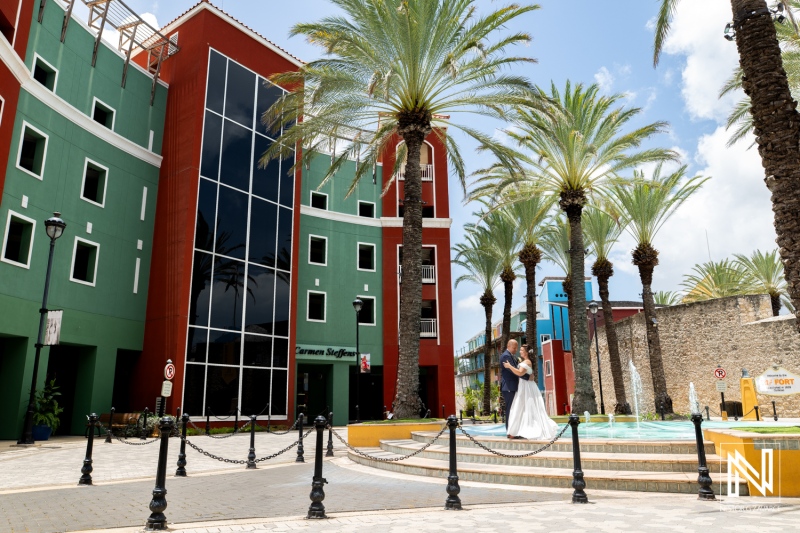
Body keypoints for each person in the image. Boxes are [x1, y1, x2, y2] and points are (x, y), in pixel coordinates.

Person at [503, 344, 559, 440]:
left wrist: (509, 366)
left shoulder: (527, 362)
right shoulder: (525, 361)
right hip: (523, 386)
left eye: (521, 350)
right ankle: (516, 431)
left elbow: (519, 373)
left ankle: (522, 431)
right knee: (520, 408)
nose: (520, 351)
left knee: (527, 407)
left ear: (526, 352)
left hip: (527, 387)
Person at [499, 339, 527, 438]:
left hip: (513, 386)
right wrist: (527, 377)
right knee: (510, 409)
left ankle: (514, 431)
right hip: (509, 387)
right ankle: (510, 432)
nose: (516, 350)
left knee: (514, 409)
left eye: (516, 348)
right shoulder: (506, 356)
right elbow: (514, 371)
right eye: (514, 348)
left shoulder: (511, 356)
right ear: (508, 346)